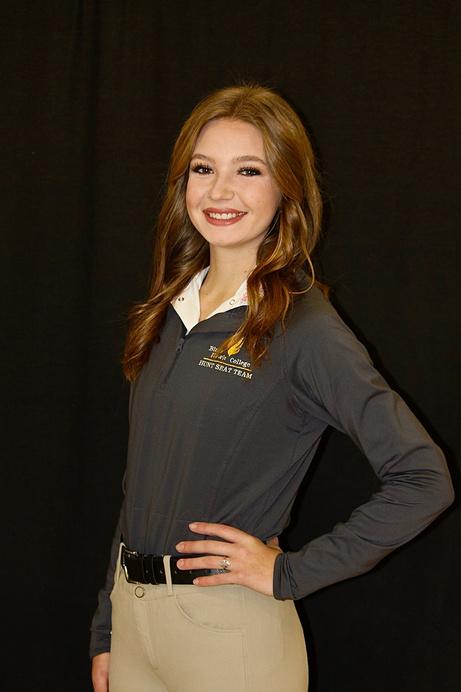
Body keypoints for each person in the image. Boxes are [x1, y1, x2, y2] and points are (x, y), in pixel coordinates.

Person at [90, 84, 454, 692]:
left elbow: (424, 479)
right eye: (203, 169)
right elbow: (141, 483)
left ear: (286, 188)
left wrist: (289, 573)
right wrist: (108, 625)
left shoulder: (304, 328)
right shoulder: (166, 313)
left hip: (228, 634)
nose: (220, 191)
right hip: (134, 625)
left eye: (248, 170)